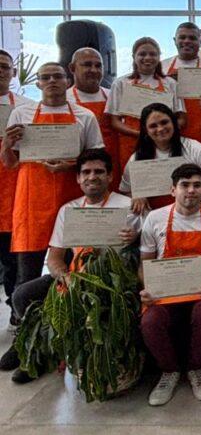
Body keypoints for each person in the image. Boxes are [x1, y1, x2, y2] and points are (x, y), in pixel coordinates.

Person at [0, 148, 141, 382]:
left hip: (112, 283)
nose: (92, 177)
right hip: (74, 277)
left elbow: (146, 254)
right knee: (22, 295)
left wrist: (134, 238)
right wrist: (64, 276)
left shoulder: (130, 207)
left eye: (99, 171)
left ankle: (59, 355)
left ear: (110, 176)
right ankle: (38, 348)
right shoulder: (68, 210)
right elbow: (55, 258)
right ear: (77, 178)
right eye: (85, 172)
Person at [1, 62, 103, 290]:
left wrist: (68, 166)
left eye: (57, 76)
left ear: (67, 82)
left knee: (71, 266)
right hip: (31, 200)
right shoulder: (21, 113)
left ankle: (68, 316)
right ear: (37, 83)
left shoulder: (84, 116)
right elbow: (10, 163)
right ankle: (23, 320)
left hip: (72, 196)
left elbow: (98, 158)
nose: (52, 81)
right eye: (45, 77)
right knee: (27, 270)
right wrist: (6, 144)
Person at [140, 163, 201, 406]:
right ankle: (170, 371)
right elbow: (145, 263)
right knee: (150, 321)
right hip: (165, 294)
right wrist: (147, 289)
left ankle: (197, 369)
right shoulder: (155, 218)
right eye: (184, 185)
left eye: (197, 185)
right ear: (172, 190)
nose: (191, 191)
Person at [119, 104, 201, 214]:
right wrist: (137, 195)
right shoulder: (136, 158)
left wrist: (189, 189)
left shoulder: (196, 149)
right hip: (156, 218)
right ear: (145, 130)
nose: (160, 129)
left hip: (198, 213)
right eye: (153, 126)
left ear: (173, 122)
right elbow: (125, 192)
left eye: (164, 122)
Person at [106, 36, 185, 170]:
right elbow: (114, 121)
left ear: (159, 57)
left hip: (163, 142)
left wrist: (163, 133)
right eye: (142, 54)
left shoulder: (171, 84)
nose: (147, 58)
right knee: (133, 184)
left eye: (153, 54)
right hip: (131, 142)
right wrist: (141, 134)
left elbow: (182, 118)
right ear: (134, 57)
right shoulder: (121, 83)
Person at [0, 49, 34, 322]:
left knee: (12, 257)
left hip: (14, 190)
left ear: (12, 72)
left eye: (5, 67)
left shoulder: (25, 106)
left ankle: (16, 313)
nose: (1, 71)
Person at [67, 47, 120, 190]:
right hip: (81, 172)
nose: (94, 70)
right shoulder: (64, 101)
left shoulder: (114, 96)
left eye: (98, 65)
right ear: (72, 68)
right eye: (87, 65)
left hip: (115, 166)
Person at [162, 22, 201, 148]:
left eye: (192, 38)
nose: (186, 41)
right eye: (182, 37)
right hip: (167, 136)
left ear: (200, 42)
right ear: (174, 40)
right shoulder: (161, 68)